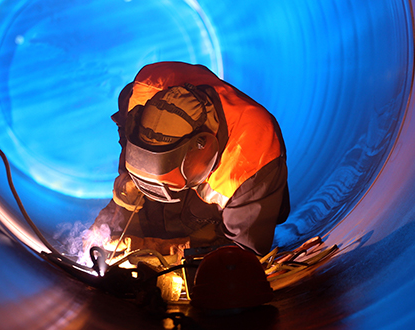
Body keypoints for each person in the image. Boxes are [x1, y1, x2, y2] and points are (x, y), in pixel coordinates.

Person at [91, 62, 290, 259]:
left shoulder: (252, 160)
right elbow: (126, 134)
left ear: (202, 150)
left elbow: (240, 254)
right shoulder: (143, 91)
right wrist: (124, 191)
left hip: (236, 208)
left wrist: (155, 247)